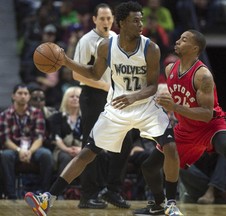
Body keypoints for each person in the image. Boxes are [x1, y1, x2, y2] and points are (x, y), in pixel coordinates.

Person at [24, 2, 182, 216]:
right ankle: (48, 198)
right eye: (135, 20)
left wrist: (133, 97)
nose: (140, 24)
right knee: (87, 153)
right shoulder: (106, 46)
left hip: (145, 107)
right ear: (122, 23)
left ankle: (170, 203)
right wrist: (66, 61)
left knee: (170, 148)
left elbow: (153, 85)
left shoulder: (150, 48)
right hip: (117, 108)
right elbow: (93, 73)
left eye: (141, 19)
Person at [155, 30, 226, 216]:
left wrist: (174, 106)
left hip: (211, 124)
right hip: (186, 127)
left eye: (183, 39)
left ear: (194, 48)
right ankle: (164, 203)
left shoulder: (203, 75)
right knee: (153, 161)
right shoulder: (170, 70)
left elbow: (207, 115)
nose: (176, 41)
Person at [72, 3, 131, 209]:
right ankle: (87, 195)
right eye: (102, 18)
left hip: (115, 96)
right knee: (92, 146)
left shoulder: (116, 38)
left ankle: (112, 190)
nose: (106, 22)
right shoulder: (86, 41)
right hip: (94, 96)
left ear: (113, 20)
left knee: (126, 141)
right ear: (94, 20)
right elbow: (77, 74)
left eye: (109, 18)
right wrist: (106, 86)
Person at [0, 84, 54, 199]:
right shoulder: (5, 114)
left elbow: (39, 138)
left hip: (33, 149)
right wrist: (19, 150)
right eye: (20, 93)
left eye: (25, 94)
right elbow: (5, 140)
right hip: (14, 149)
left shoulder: (36, 113)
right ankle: (10, 194)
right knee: (5, 155)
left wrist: (29, 151)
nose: (23, 96)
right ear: (13, 96)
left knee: (46, 154)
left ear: (29, 97)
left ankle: (44, 194)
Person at [49, 86, 82, 175]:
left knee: (89, 157)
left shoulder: (86, 118)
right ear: (65, 99)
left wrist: (81, 149)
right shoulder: (57, 117)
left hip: (82, 149)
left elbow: (89, 137)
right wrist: (67, 149)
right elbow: (56, 138)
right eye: (72, 96)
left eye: (78, 97)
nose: (75, 99)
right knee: (65, 157)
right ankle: (63, 187)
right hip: (62, 149)